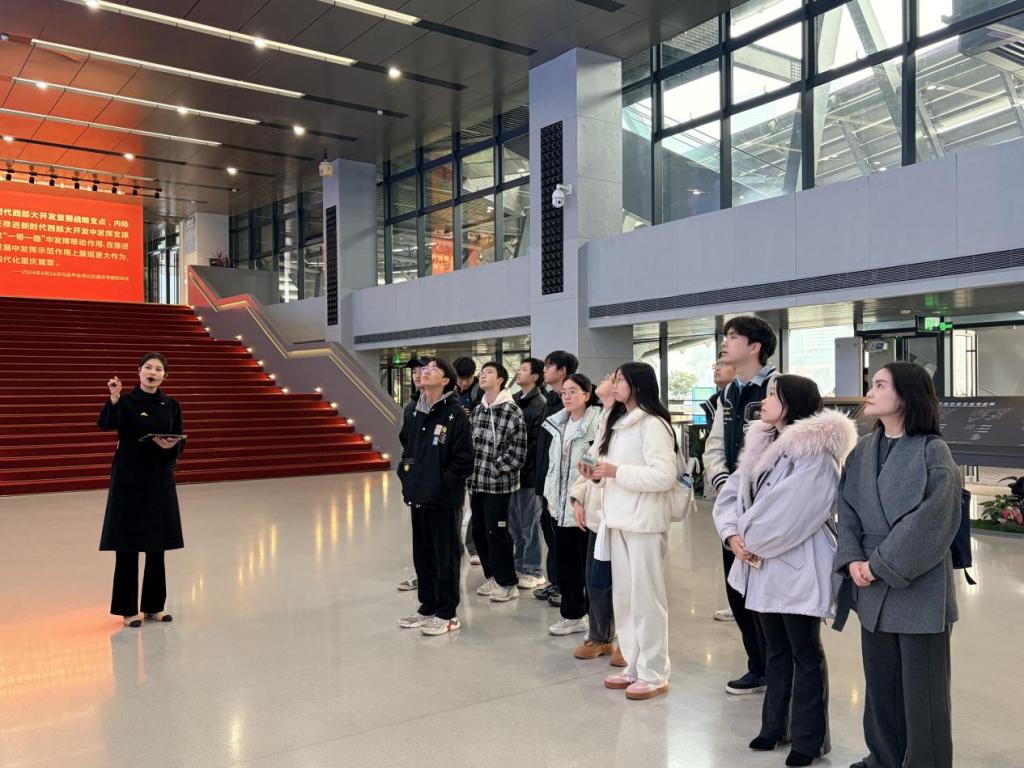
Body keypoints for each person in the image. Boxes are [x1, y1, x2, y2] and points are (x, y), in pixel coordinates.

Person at [714, 375, 857, 767]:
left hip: (796, 565)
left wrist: (748, 540)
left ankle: (809, 739)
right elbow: (731, 495)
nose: (764, 401)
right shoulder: (762, 445)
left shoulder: (816, 454)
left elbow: (792, 513)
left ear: (793, 402)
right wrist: (732, 536)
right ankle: (774, 725)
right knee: (774, 647)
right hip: (761, 563)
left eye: (773, 395)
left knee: (804, 650)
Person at [833, 362, 962, 768]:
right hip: (870, 585)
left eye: (880, 385)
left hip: (919, 587)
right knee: (880, 685)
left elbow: (933, 521)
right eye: (871, 384)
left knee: (923, 693)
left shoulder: (932, 451)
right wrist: (852, 558)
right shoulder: (863, 450)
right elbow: (846, 509)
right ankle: (884, 758)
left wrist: (879, 564)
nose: (870, 392)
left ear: (906, 395)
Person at [579, 362, 677, 701]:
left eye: (619, 379)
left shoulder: (653, 424)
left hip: (645, 524)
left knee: (647, 599)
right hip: (618, 520)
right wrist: (595, 473)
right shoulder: (619, 421)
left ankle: (655, 672)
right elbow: (607, 468)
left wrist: (615, 471)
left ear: (636, 384)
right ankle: (634, 665)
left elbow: (664, 476)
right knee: (625, 598)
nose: (614, 383)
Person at [703, 315, 778, 695]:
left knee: (767, 594)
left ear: (755, 346)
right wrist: (722, 483)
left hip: (766, 509)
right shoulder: (730, 392)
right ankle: (757, 666)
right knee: (738, 592)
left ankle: (777, 670)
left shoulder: (777, 387)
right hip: (732, 508)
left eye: (733, 336)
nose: (725, 342)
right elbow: (714, 444)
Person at [98, 352, 185, 628]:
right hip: (129, 479)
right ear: (138, 372)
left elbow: (180, 439)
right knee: (127, 545)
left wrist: (171, 446)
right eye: (148, 367)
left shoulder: (171, 405)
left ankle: (154, 606)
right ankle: (127, 610)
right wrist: (113, 398)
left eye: (158, 369)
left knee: (157, 544)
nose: (152, 372)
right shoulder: (125, 402)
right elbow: (106, 424)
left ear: (164, 376)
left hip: (158, 478)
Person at [397, 357, 474, 636]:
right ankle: (427, 606)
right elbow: (407, 448)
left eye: (433, 369)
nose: (425, 372)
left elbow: (464, 461)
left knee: (445, 556)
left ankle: (447, 613)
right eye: (424, 369)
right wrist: (407, 477)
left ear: (445, 380)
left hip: (443, 499)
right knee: (423, 555)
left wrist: (442, 484)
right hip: (418, 495)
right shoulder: (413, 412)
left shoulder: (454, 413)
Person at [569, 374, 626, 666]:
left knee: (625, 583)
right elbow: (591, 460)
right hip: (597, 515)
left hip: (622, 515)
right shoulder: (606, 417)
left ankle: (628, 643)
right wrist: (578, 497)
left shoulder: (634, 419)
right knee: (596, 580)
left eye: (611, 377)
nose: (603, 380)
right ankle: (600, 636)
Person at [542, 373, 603, 636]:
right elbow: (553, 465)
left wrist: (580, 498)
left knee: (586, 567)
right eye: (564, 392)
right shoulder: (558, 423)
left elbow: (593, 462)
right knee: (564, 564)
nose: (566, 396)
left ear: (587, 395)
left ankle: (597, 620)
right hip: (559, 506)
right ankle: (572, 615)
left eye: (573, 391)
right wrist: (549, 497)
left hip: (584, 506)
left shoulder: (597, 423)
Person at [469, 361, 528, 603]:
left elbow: (518, 451)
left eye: (489, 372)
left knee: (497, 533)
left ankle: (508, 583)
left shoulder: (512, 411)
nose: (483, 375)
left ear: (501, 379)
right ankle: (492, 576)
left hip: (498, 485)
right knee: (479, 532)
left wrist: (495, 468)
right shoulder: (478, 410)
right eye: (481, 372)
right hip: (476, 484)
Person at [533, 350, 579, 606]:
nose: (545, 370)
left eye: (549, 365)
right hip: (546, 478)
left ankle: (567, 586)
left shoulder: (571, 403)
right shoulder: (551, 400)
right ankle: (556, 581)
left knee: (562, 535)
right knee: (548, 528)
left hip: (565, 481)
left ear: (562, 370)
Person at [702, 355, 737, 622]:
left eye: (723, 364)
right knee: (729, 546)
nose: (717, 368)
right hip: (726, 490)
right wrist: (722, 481)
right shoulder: (722, 399)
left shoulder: (767, 391)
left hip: (751, 493)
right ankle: (737, 605)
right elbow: (714, 446)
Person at [511, 358, 548, 590]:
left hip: (528, 475)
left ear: (535, 377)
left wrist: (518, 461)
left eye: (524, 369)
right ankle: (519, 565)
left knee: (530, 526)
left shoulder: (540, 404)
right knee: (515, 525)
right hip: (512, 475)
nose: (519, 372)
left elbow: (535, 443)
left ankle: (534, 570)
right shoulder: (514, 400)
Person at [397, 356, 426, 592]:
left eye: (422, 370)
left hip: (438, 483)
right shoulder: (410, 408)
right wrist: (406, 474)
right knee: (421, 532)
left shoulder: (448, 409)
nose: (417, 375)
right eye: (414, 371)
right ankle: (422, 575)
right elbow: (407, 443)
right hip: (417, 479)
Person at [453, 356, 484, 562]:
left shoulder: (479, 392)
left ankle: (474, 547)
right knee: (456, 503)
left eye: (467, 379)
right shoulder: (452, 392)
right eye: (460, 379)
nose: (463, 383)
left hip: (476, 454)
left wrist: (470, 416)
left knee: (475, 503)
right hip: (457, 453)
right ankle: (455, 544)